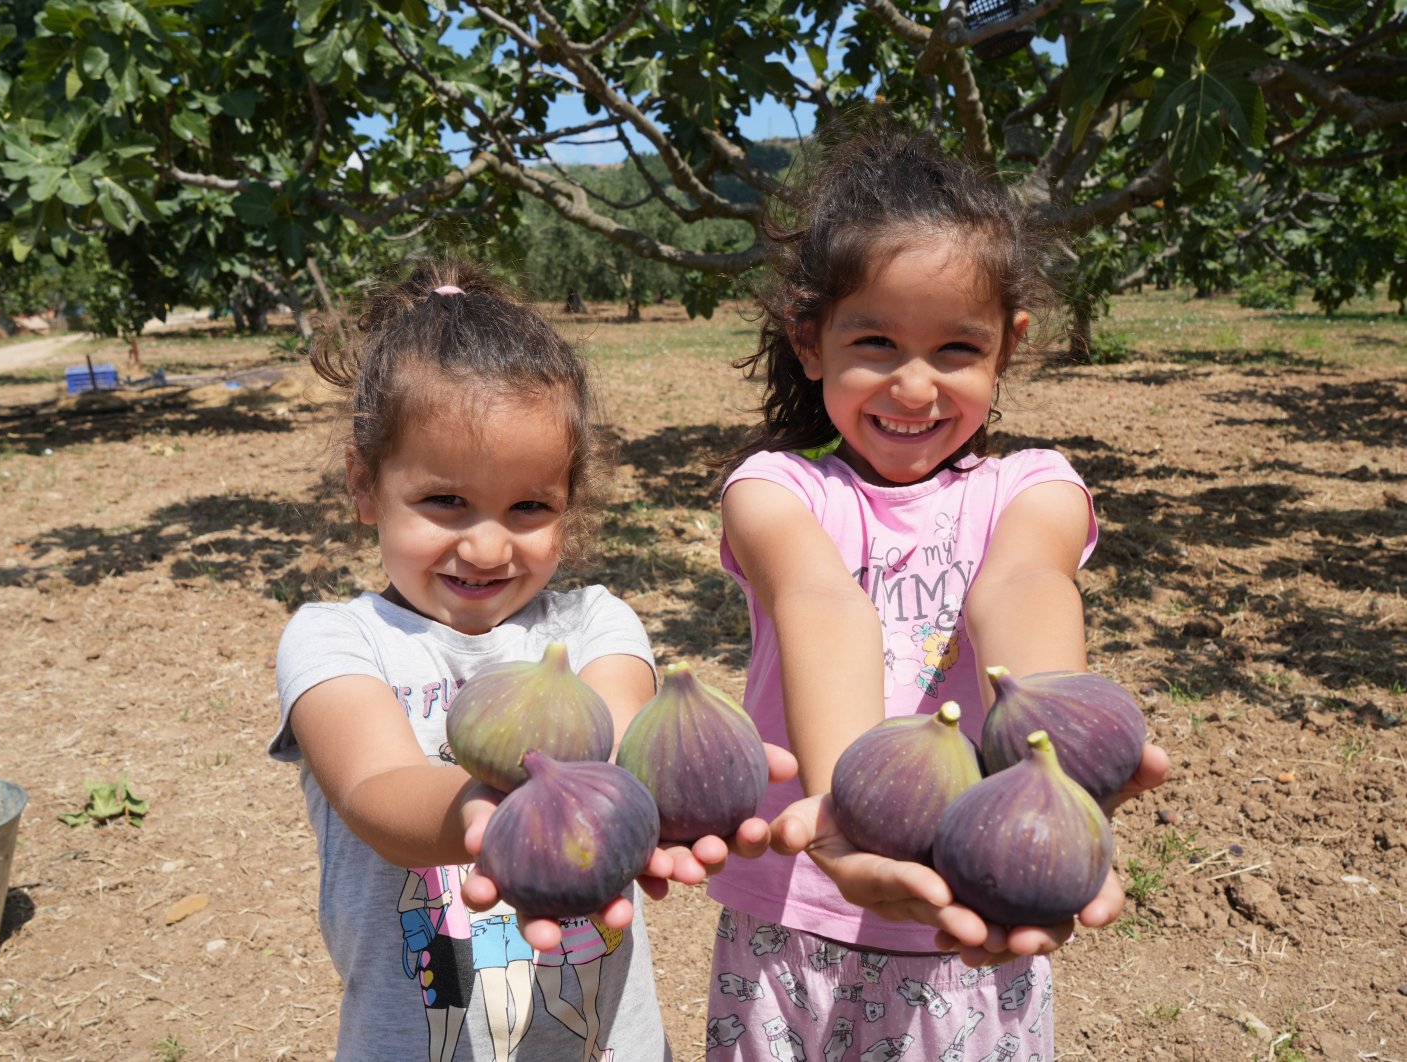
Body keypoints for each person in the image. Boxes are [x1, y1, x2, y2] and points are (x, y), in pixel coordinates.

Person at [702, 116, 1170, 1060]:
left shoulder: (1030, 487)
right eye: (875, 340)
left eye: (956, 350)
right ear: (809, 341)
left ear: (1008, 346)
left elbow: (1023, 585)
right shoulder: (775, 490)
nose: (914, 387)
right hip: (799, 916)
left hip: (977, 910)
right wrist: (848, 810)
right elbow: (817, 601)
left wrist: (1052, 774)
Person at [267, 257, 784, 1062]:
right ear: (364, 484)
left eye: (528, 507)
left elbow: (610, 747)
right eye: (445, 501)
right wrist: (489, 815)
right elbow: (374, 790)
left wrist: (698, 776)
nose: (484, 544)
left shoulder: (592, 627)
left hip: (603, 1045)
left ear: (568, 502)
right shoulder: (335, 637)